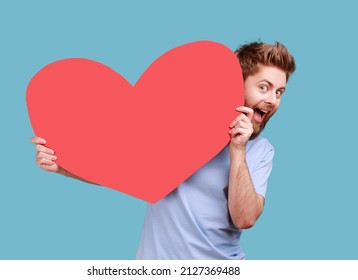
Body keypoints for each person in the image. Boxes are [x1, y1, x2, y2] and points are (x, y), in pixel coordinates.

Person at [31, 41, 296, 259]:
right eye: (264, 87)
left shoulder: (261, 151)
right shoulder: (181, 125)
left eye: (280, 92)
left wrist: (237, 150)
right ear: (237, 83)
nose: (272, 100)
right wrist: (63, 168)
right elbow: (124, 170)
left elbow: (245, 219)